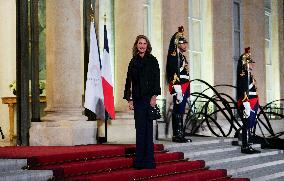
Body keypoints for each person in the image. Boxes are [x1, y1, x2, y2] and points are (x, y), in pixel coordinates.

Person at [123, 35, 161, 169]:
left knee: (148, 130)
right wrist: (130, 99)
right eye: (140, 43)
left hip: (148, 99)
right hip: (138, 100)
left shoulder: (153, 60)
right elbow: (129, 81)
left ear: (147, 45)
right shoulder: (133, 61)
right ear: (136, 45)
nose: (142, 45)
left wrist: (154, 96)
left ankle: (149, 161)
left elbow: (157, 79)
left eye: (144, 43)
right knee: (139, 130)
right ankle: (139, 161)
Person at [166, 26, 191, 143]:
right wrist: (178, 89)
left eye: (186, 43)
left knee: (181, 110)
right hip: (179, 86)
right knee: (178, 109)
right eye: (183, 43)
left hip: (185, 85)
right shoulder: (174, 56)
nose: (185, 45)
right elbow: (173, 72)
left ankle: (180, 133)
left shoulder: (181, 56)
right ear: (177, 43)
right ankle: (177, 134)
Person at [236, 47, 261, 154]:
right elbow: (244, 91)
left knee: (250, 123)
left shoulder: (249, 75)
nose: (252, 64)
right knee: (247, 124)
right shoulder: (243, 75)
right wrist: (246, 104)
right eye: (249, 63)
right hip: (248, 102)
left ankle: (249, 144)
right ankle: (245, 146)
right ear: (245, 64)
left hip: (253, 101)